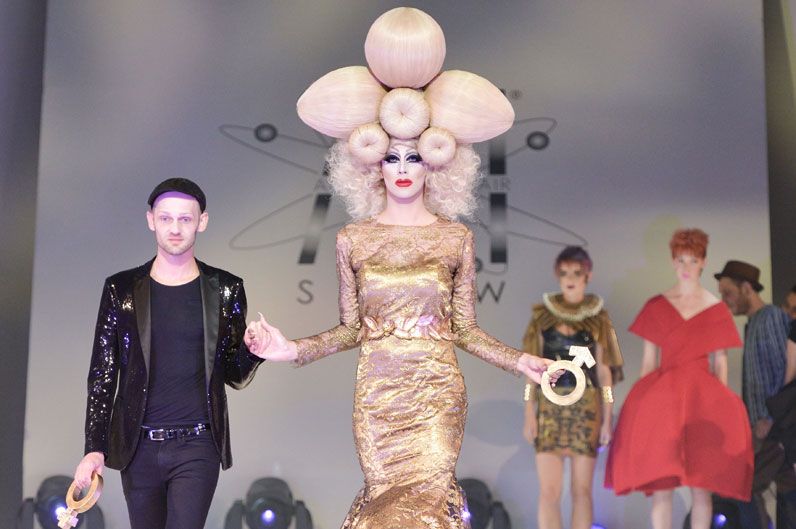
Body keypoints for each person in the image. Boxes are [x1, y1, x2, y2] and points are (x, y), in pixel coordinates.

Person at [244, 8, 558, 529]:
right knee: (385, 508)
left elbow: (465, 330)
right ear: (372, 165)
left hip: (436, 394)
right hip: (377, 398)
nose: (404, 169)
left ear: (436, 163)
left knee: (427, 510)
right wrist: (291, 350)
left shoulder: (455, 237)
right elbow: (351, 330)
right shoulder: (353, 239)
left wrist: (519, 361)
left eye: (414, 157)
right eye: (393, 158)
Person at [72, 178, 264, 529]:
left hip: (197, 443)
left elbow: (233, 375)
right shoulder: (121, 289)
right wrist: (94, 447)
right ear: (151, 220)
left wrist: (253, 351)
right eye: (166, 218)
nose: (175, 228)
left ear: (202, 221)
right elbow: (103, 373)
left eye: (185, 219)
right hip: (139, 446)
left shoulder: (225, 289)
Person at [605, 229, 753, 529]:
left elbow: (720, 362)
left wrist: (721, 409)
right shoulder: (657, 306)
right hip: (664, 400)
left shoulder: (715, 308)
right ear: (673, 261)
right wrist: (641, 411)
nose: (686, 267)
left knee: (702, 485)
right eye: (681, 259)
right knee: (662, 483)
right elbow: (649, 363)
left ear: (703, 262)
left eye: (693, 260)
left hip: (702, 401)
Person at [522, 246, 623, 529]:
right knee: (549, 491)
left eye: (576, 273)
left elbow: (604, 373)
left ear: (587, 276)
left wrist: (607, 417)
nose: (570, 279)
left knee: (582, 491)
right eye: (564, 272)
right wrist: (529, 411)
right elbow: (532, 371)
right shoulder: (542, 317)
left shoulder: (598, 319)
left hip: (586, 408)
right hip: (549, 407)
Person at [716, 260, 796, 529]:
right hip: (768, 425)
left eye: (728, 292)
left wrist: (768, 417)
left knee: (746, 488)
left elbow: (782, 369)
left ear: (747, 288)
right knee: (788, 490)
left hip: (773, 426)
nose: (725, 300)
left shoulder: (770, 317)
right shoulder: (754, 323)